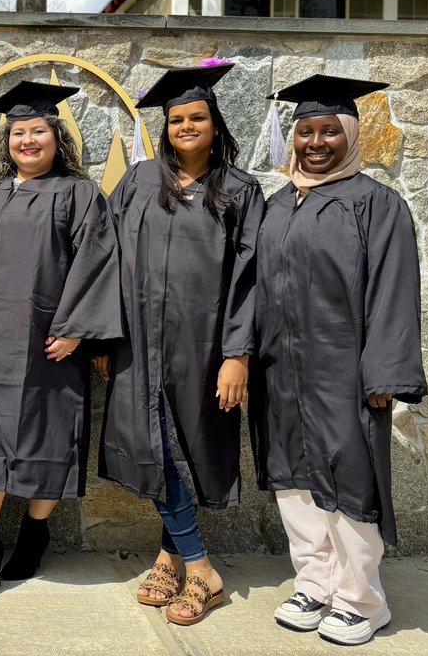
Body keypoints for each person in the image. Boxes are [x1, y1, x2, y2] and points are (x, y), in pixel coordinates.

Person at [250, 74, 426, 646]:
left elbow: (393, 291)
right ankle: (316, 582)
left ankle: (361, 599)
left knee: (350, 477)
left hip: (343, 368)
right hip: (280, 366)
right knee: (295, 477)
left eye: (330, 131)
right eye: (306, 132)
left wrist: (384, 373)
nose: (316, 142)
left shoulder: (376, 204)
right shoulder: (278, 204)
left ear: (351, 135)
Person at [0, 80, 123, 603]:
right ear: (7, 141)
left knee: (48, 435)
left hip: (45, 344)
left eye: (38, 131)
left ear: (56, 137)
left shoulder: (79, 194)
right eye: (18, 132)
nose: (27, 140)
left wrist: (76, 329)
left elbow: (97, 263)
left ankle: (35, 533)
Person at [97, 61, 264, 627]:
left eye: (197, 117)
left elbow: (251, 278)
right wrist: (98, 332)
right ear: (165, 128)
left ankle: (191, 564)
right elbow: (104, 257)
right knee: (156, 446)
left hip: (203, 349)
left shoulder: (241, 191)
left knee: (180, 449)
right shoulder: (140, 181)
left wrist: (238, 354)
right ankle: (184, 558)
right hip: (137, 344)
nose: (186, 127)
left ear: (215, 124)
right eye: (176, 120)